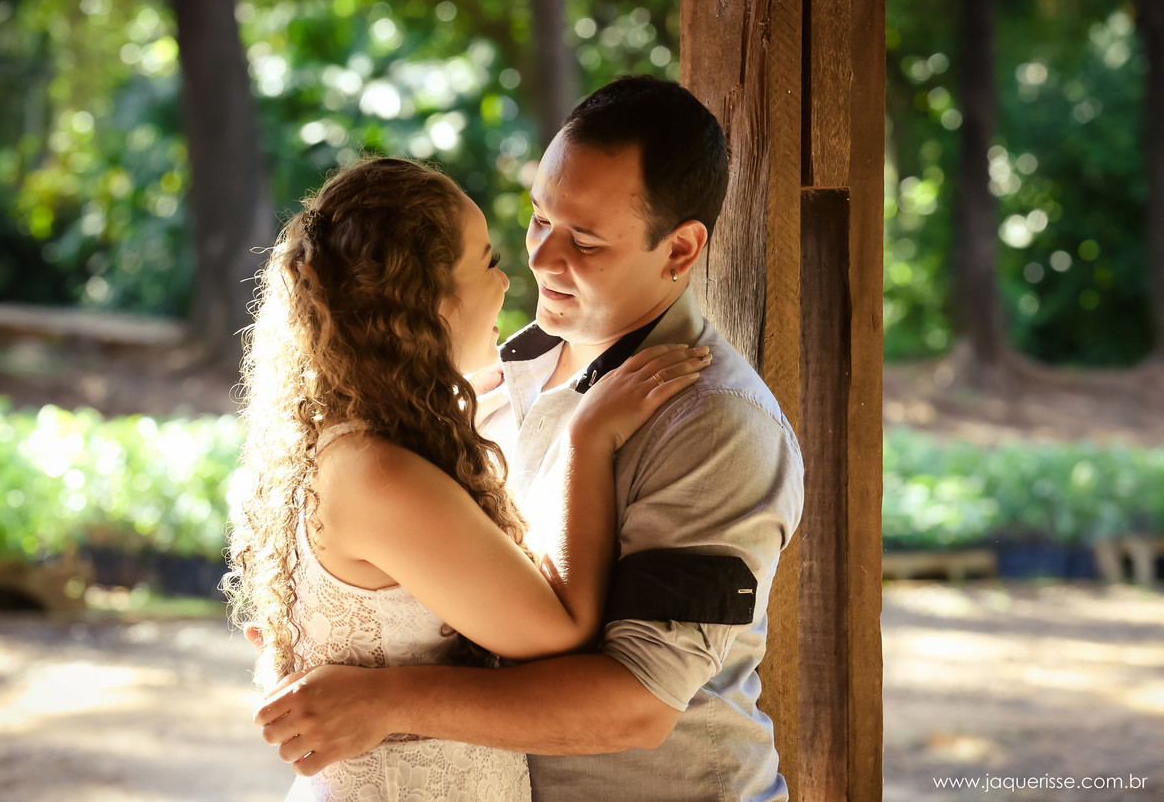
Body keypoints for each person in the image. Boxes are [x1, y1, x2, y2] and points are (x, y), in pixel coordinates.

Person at [254, 77, 805, 801]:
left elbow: (637, 705)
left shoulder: (715, 425)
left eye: (585, 240)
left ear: (679, 250)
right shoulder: (481, 375)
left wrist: (385, 700)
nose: (541, 259)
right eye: (540, 218)